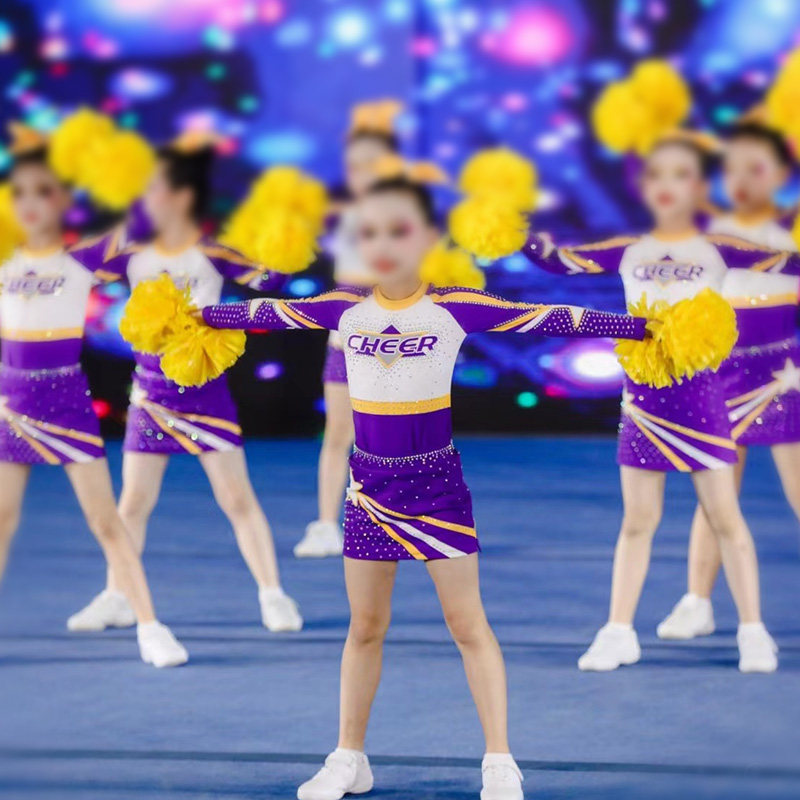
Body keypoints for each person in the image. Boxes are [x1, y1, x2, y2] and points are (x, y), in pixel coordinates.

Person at [145, 169, 664, 800]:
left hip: (436, 486)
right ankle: (349, 757)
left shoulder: (455, 306)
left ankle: (500, 761)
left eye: (399, 230)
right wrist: (188, 316)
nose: (383, 244)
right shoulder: (343, 309)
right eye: (370, 233)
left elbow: (550, 316)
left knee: (467, 624)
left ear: (425, 238)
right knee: (365, 627)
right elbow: (260, 312)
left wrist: (645, 329)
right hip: (369, 489)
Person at [523, 134, 800, 673]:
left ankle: (753, 631)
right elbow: (557, 264)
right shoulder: (627, 249)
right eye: (657, 175)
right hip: (645, 401)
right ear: (643, 187)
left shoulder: (719, 247)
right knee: (637, 520)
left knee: (725, 516)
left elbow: (789, 264)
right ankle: (618, 632)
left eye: (681, 175)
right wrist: (514, 231)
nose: (668, 185)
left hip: (704, 397)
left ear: (698, 187)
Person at [66, 135, 303, 633]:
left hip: (204, 391)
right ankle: (116, 596)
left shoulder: (213, 252)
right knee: (133, 504)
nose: (146, 198)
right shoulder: (129, 251)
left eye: (155, 189)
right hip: (150, 394)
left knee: (236, 499)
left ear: (182, 196)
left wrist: (284, 239)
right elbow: (74, 269)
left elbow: (272, 282)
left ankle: (273, 594)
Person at [0, 125, 187, 667]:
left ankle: (150, 626)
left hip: (63, 398)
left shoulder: (82, 260)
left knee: (105, 519)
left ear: (64, 199)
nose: (31, 203)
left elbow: (142, 221)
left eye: (44, 191)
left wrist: (118, 164)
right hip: (10, 402)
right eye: (20, 192)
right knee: (2, 519)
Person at [658, 121, 800, 639]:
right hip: (720, 374)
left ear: (781, 174)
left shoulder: (792, 231)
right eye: (731, 168)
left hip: (784, 376)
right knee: (715, 493)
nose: (741, 179)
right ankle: (697, 601)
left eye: (755, 168)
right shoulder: (704, 236)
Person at [294, 100, 404, 559]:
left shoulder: (406, 217)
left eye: (371, 163)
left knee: (391, 437)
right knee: (338, 433)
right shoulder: (344, 216)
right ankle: (325, 525)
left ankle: (396, 521)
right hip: (345, 340)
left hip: (395, 341)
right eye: (355, 165)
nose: (361, 173)